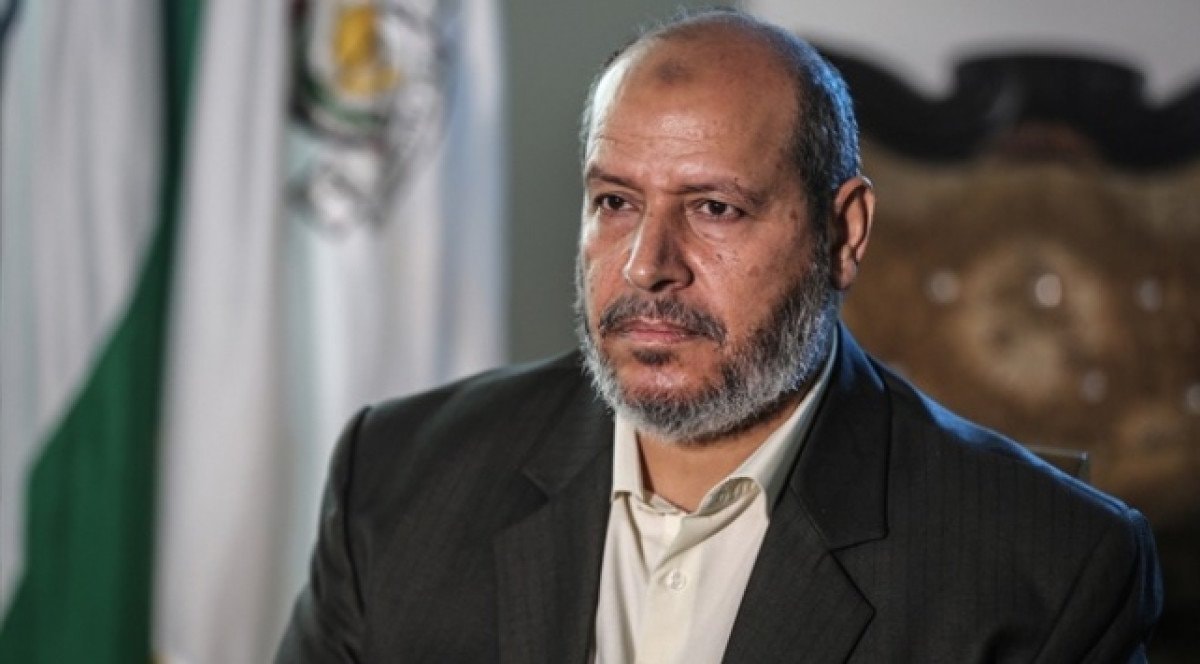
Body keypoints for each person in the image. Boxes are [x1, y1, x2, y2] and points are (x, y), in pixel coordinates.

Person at [276, 9, 1162, 663]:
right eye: (615, 202)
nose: (646, 267)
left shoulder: (1047, 567)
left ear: (843, 233)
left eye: (714, 208)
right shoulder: (395, 479)